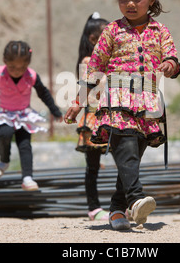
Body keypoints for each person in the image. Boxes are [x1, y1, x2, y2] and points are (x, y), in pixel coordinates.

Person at [64, 0, 180, 230]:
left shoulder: (161, 31)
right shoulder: (111, 32)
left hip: (148, 103)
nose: (130, 4)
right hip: (117, 101)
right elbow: (94, 69)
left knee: (132, 157)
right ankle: (137, 199)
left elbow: (172, 58)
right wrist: (77, 102)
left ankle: (116, 211)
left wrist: (169, 65)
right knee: (126, 151)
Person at [0, 40, 63, 191]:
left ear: (28, 63)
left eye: (22, 67)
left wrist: (54, 110)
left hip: (23, 115)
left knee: (25, 145)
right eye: (12, 67)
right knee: (5, 133)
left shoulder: (31, 76)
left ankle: (27, 177)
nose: (17, 71)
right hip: (3, 113)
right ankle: (4, 161)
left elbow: (43, 93)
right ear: (5, 61)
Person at [75, 12, 110, 221]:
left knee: (124, 160)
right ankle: (94, 207)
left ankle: (120, 203)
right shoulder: (88, 61)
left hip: (110, 116)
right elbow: (87, 90)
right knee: (93, 166)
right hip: (94, 119)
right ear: (93, 39)